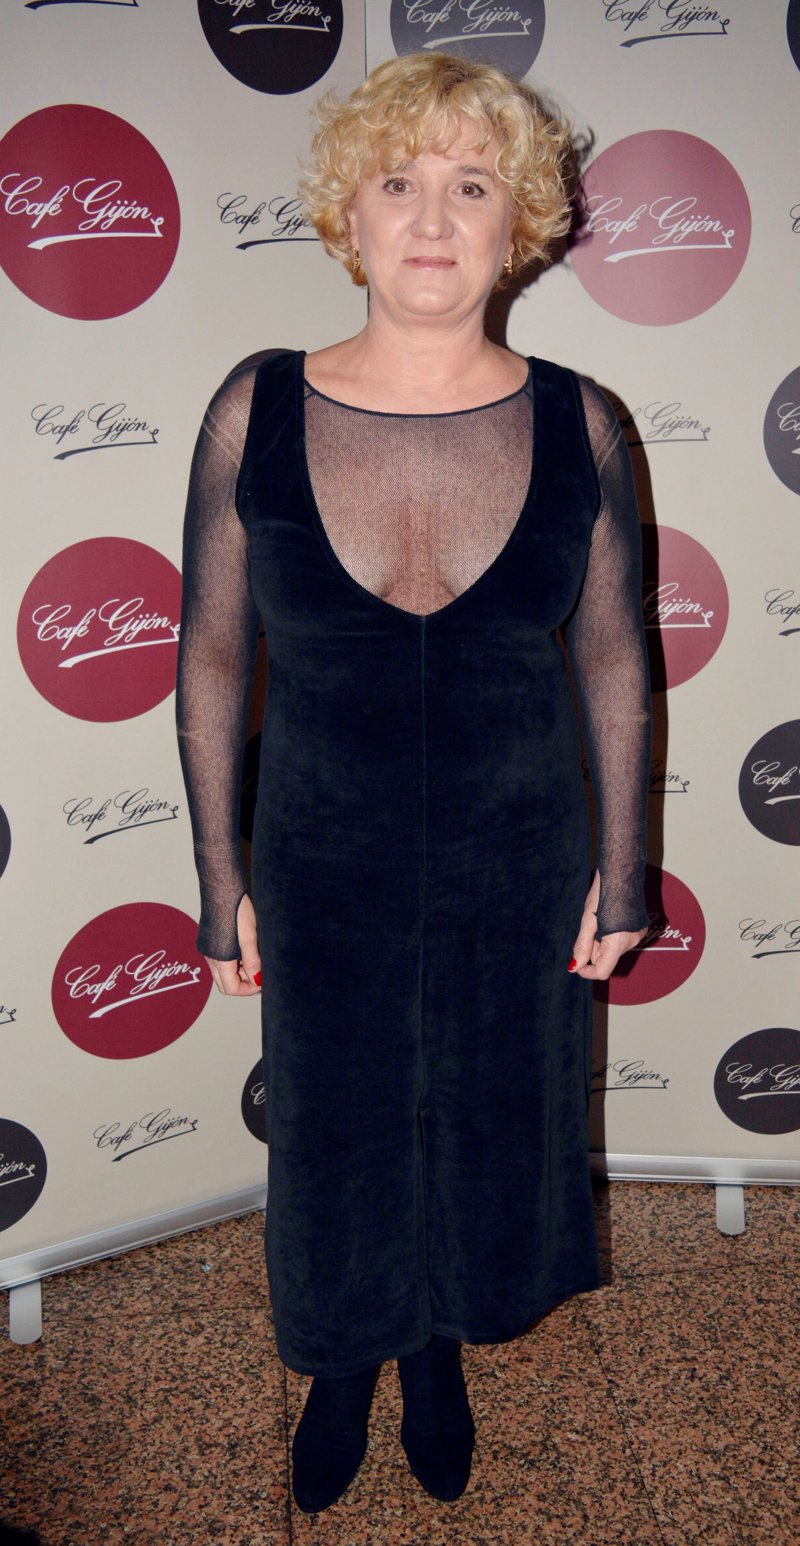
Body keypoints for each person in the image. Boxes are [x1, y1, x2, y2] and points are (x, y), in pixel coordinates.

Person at [176, 50, 651, 1516]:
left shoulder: (584, 421)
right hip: (322, 851)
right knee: (336, 1126)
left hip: (522, 850)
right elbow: (210, 657)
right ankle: (343, 1360)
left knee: (491, 1112)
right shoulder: (255, 407)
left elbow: (617, 659)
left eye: (471, 184)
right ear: (351, 213)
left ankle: (437, 1347)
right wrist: (219, 882)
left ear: (519, 225)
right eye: (399, 181)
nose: (432, 218)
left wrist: (623, 873)